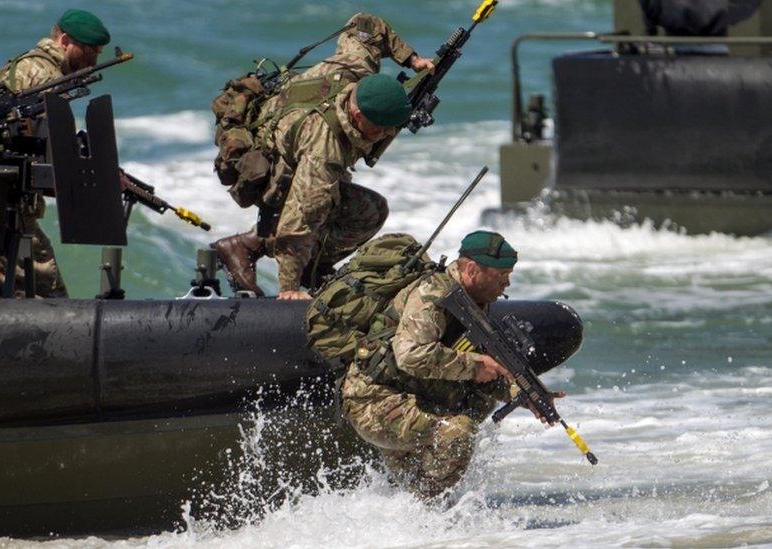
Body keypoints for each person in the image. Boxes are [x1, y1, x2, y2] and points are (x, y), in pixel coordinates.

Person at [211, 12, 435, 300]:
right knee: (361, 210)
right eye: (379, 128)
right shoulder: (324, 150)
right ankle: (246, 247)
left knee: (344, 203)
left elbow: (366, 24)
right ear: (356, 113)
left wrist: (412, 59)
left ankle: (312, 266)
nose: (383, 135)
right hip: (269, 160)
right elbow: (301, 217)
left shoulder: (357, 67)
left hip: (284, 123)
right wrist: (289, 289)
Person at [340, 230, 564, 499]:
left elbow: (485, 369)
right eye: (501, 276)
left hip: (413, 396)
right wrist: (475, 365)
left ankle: (410, 509)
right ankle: (428, 514)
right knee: (458, 433)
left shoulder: (474, 301)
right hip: (373, 398)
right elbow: (410, 354)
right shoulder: (433, 294)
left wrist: (523, 395)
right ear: (471, 269)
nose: (507, 285)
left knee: (477, 402)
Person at [0, 8, 111, 298]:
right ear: (64, 40)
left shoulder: (27, 67)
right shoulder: (46, 76)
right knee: (48, 295)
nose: (93, 61)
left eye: (97, 53)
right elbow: (53, 152)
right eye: (88, 52)